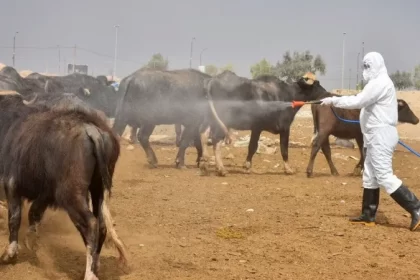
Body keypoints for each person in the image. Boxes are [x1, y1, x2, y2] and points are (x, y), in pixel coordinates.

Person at [319, 52, 420, 231]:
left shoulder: (380, 83)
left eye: (368, 66)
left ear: (377, 65)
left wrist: (333, 100)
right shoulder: (376, 83)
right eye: (364, 66)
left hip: (381, 135)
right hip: (373, 136)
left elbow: (359, 101)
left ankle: (417, 209)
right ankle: (368, 214)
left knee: (384, 175)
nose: (366, 70)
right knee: (370, 176)